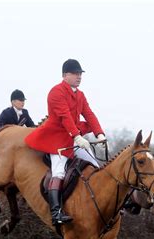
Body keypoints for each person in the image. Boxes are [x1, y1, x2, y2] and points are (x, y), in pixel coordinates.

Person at [24, 59, 106, 226]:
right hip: (57, 139)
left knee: (95, 165)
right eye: (75, 73)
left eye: (80, 74)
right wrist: (77, 136)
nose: (79, 77)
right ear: (65, 75)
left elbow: (89, 114)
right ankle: (56, 212)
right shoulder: (56, 92)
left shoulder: (80, 94)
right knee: (59, 172)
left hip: (73, 137)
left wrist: (99, 134)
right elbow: (65, 117)